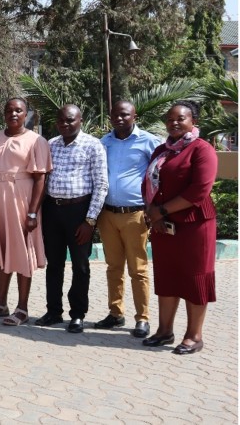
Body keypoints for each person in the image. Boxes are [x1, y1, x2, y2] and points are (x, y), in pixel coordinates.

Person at [141, 100, 218, 355]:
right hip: (165, 227)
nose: (174, 123)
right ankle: (164, 331)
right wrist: (155, 214)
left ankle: (194, 336)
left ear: (193, 121)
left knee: (195, 278)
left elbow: (199, 190)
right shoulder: (162, 150)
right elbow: (149, 184)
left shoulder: (201, 149)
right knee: (167, 276)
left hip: (195, 226)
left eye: (180, 118)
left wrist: (161, 210)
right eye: (170, 118)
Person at [0, 98, 51, 326]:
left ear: (26, 113)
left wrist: (32, 213)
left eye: (18, 110)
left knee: (22, 252)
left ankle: (22, 307)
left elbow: (40, 179)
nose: (14, 114)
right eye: (9, 110)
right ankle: (1, 303)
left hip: (21, 198)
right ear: (4, 114)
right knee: (2, 251)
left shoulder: (36, 140)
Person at [37, 105, 108, 333]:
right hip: (52, 211)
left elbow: (101, 184)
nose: (65, 124)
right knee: (54, 265)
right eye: (61, 121)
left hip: (79, 212)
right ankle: (53, 311)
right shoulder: (50, 144)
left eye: (70, 120)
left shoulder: (93, 145)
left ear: (80, 120)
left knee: (80, 265)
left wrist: (90, 220)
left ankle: (77, 314)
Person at [93, 100, 161, 338]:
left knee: (138, 269)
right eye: (115, 115)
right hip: (108, 214)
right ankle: (115, 313)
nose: (119, 119)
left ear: (135, 117)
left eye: (125, 115)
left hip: (135, 214)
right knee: (113, 267)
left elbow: (161, 171)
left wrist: (155, 207)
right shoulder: (104, 143)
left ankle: (142, 318)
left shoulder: (149, 141)